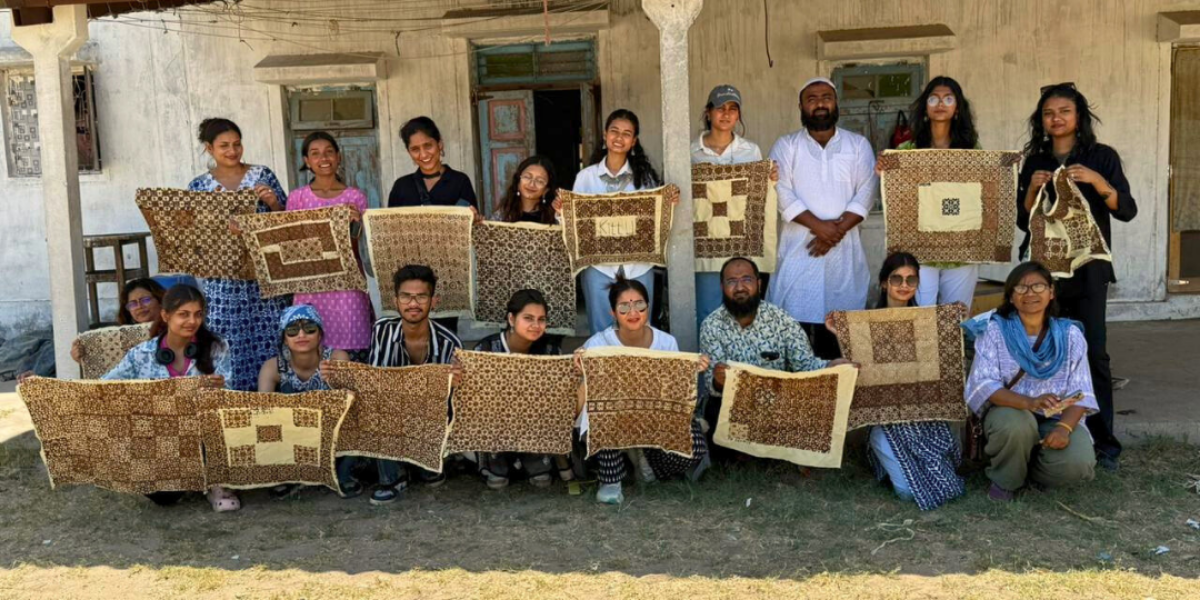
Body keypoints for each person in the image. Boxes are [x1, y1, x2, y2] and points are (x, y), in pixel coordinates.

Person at [1016, 83, 1137, 472]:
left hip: (1088, 270)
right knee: (1046, 352)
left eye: (1064, 111)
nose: (1057, 118)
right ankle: (1050, 430)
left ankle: (1105, 443)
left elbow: (1127, 210)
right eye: (1049, 113)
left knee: (1093, 353)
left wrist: (1099, 183)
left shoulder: (1101, 157)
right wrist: (1030, 192)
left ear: (1078, 116)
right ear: (1042, 120)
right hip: (1046, 275)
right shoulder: (1035, 160)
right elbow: (1024, 221)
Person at [965, 261, 1098, 500]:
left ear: (1051, 292)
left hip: (1057, 416)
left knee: (1078, 463)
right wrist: (1029, 403)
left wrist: (1064, 428)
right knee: (1017, 425)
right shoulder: (994, 331)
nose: (1030, 294)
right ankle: (1006, 480)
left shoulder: (1070, 334)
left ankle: (1032, 470)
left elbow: (1082, 392)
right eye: (1021, 288)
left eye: (1038, 287)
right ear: (1011, 297)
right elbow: (983, 384)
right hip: (1010, 411)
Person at [767, 78, 877, 359]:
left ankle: (839, 395)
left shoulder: (858, 145)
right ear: (801, 106)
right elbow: (781, 191)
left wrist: (835, 232)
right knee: (794, 326)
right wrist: (821, 229)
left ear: (836, 103)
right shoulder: (787, 145)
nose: (820, 104)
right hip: (799, 249)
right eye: (812, 98)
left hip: (845, 252)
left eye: (826, 97)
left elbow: (866, 191)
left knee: (840, 331)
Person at [577, 276, 710, 505]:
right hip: (613, 419)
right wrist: (583, 372)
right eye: (624, 306)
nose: (633, 312)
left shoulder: (666, 342)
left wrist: (691, 371)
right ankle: (611, 480)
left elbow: (676, 396)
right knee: (603, 409)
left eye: (639, 304)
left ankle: (643, 458)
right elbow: (578, 406)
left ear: (648, 307)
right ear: (612, 313)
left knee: (695, 448)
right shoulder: (597, 345)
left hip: (653, 420)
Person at [848, 252, 966, 510]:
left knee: (947, 485)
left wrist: (954, 324)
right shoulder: (863, 324)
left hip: (924, 416)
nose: (904, 285)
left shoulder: (930, 322)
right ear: (883, 283)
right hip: (886, 419)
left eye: (911, 280)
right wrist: (841, 331)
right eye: (897, 279)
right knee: (907, 492)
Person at [102, 284, 234, 511]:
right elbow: (104, 388)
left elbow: (229, 397)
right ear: (165, 316)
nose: (192, 321)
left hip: (201, 432)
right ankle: (187, 476)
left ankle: (215, 482)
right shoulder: (140, 355)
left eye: (197, 314)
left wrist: (219, 389)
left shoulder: (217, 348)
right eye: (183, 314)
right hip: (160, 435)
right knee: (164, 497)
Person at [187, 117, 290, 392]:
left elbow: (287, 225)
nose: (232, 151)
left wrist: (273, 202)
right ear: (209, 148)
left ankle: (273, 402)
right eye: (224, 146)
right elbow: (194, 239)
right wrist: (222, 228)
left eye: (237, 144)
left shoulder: (262, 175)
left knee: (270, 337)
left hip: (265, 279)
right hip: (223, 283)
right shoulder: (199, 187)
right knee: (228, 339)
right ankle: (235, 407)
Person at [700, 257, 849, 441]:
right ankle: (745, 452)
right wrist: (718, 380)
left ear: (759, 284)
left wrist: (831, 365)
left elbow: (805, 365)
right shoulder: (711, 326)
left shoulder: (781, 319)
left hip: (776, 406)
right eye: (732, 281)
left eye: (747, 279)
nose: (739, 288)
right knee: (715, 411)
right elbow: (712, 388)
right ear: (722, 287)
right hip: (735, 406)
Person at [880, 76, 983, 310]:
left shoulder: (972, 149)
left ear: (957, 108)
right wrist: (884, 172)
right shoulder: (906, 150)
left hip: (961, 249)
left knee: (955, 318)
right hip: (920, 250)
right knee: (920, 315)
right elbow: (899, 197)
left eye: (948, 98)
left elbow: (981, 194)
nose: (940, 104)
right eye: (934, 98)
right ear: (925, 106)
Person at [365, 264, 462, 505]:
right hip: (392, 412)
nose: (413, 304)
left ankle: (425, 463)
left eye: (421, 296)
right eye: (406, 296)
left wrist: (454, 380)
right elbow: (375, 382)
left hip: (431, 416)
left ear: (433, 301)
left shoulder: (450, 342)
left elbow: (452, 399)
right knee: (375, 403)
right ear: (395, 300)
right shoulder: (382, 331)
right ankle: (391, 478)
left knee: (432, 476)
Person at [691, 85, 779, 330]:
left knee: (742, 311)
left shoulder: (750, 150)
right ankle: (709, 365)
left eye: (733, 108)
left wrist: (768, 178)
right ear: (708, 112)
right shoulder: (690, 152)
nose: (726, 114)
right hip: (705, 246)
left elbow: (756, 197)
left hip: (741, 245)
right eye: (720, 108)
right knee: (708, 311)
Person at [571, 109, 665, 335]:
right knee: (601, 329)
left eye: (626, 133)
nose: (619, 138)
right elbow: (574, 220)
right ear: (605, 135)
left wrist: (668, 202)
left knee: (640, 326)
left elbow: (656, 218)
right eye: (614, 131)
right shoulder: (586, 177)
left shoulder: (646, 178)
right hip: (599, 266)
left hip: (638, 265)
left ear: (634, 141)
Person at [286, 131, 375, 363]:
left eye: (329, 152)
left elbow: (358, 245)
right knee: (310, 340)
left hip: (347, 280)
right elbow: (289, 243)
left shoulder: (355, 197)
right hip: (310, 282)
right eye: (315, 154)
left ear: (338, 157)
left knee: (352, 340)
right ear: (307, 161)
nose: (323, 158)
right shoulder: (297, 198)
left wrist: (355, 224)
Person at [386, 116, 480, 334]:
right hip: (411, 277)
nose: (423, 154)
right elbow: (390, 230)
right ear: (409, 153)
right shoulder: (402, 186)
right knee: (412, 332)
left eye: (428, 145)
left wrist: (473, 219)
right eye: (415, 149)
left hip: (448, 275)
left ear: (440, 144)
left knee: (445, 334)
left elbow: (470, 230)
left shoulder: (460, 181)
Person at [470, 289, 565, 489]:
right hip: (496, 421)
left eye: (541, 319)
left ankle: (537, 459)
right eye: (528, 318)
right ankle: (494, 460)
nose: (535, 325)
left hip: (536, 421)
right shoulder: (486, 349)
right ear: (511, 319)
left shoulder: (551, 351)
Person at [257, 304, 355, 499]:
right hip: (292, 430)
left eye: (309, 328)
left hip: (331, 429)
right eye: (292, 330)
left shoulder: (337, 358)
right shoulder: (272, 367)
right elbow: (262, 410)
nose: (301, 334)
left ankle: (343, 475)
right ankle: (287, 475)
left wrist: (335, 381)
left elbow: (351, 402)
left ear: (320, 334)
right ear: (284, 338)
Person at [16, 278, 166, 383]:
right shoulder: (114, 338)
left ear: (160, 300)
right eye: (132, 304)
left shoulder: (172, 330)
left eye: (145, 300)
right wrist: (84, 360)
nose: (139, 306)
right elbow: (108, 375)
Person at [492, 155, 559, 224]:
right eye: (527, 177)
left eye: (540, 181)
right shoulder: (503, 214)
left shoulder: (555, 216)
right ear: (518, 180)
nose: (532, 184)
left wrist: (561, 215)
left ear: (547, 189)